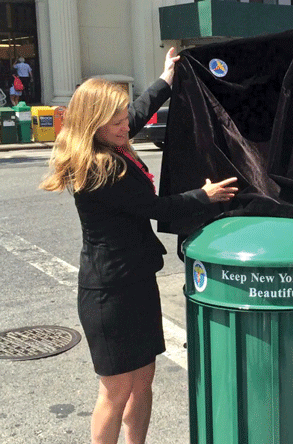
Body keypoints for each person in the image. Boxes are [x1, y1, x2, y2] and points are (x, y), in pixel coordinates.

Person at [40, 48, 238, 444]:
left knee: (143, 379)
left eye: (122, 115)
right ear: (94, 123)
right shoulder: (99, 166)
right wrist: (204, 195)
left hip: (136, 282)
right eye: (114, 119)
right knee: (115, 391)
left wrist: (165, 79)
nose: (124, 124)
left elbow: (137, 114)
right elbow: (154, 206)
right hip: (110, 293)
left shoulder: (109, 139)